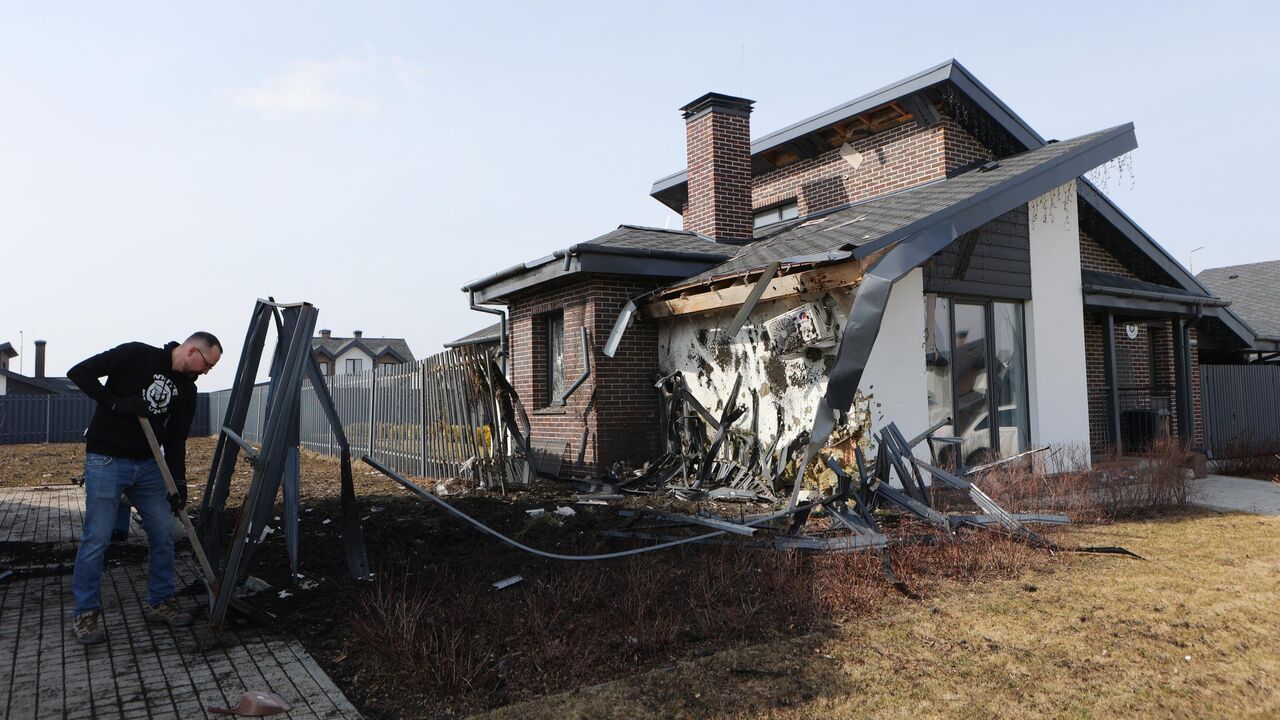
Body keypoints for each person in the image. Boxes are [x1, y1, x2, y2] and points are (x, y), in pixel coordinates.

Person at [66, 332, 222, 645]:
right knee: (96, 537)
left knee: (164, 532)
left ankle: (160, 600)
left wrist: (177, 481)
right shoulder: (136, 355)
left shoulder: (186, 390)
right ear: (192, 350)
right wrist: (116, 404)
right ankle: (86, 613)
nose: (206, 372)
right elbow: (78, 372)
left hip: (150, 466)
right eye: (207, 365)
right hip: (106, 459)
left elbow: (177, 438)